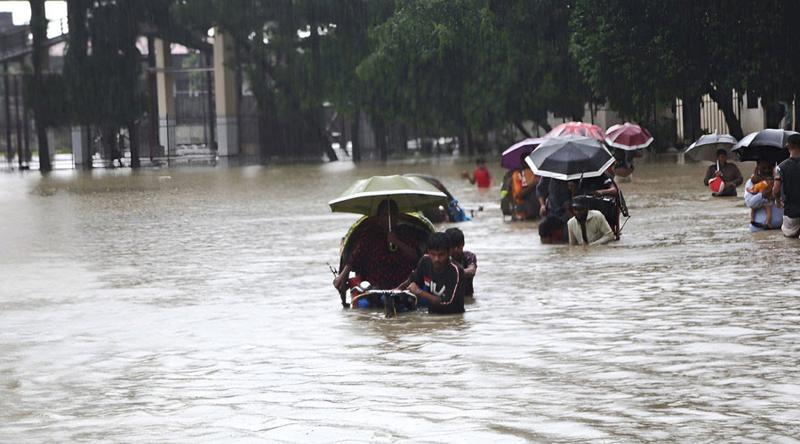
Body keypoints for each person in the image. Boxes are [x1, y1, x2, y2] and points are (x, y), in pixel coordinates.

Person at [332, 199, 424, 293]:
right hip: (375, 285)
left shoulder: (405, 232)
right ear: (378, 217)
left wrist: (397, 242)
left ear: (397, 216)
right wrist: (343, 275)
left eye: (393, 214)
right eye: (385, 215)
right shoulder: (370, 234)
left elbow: (416, 257)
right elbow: (355, 257)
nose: (389, 218)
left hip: (403, 284)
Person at [406, 232, 465, 314]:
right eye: (433, 254)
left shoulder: (456, 271)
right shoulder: (425, 261)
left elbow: (448, 303)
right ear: (428, 252)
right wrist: (397, 290)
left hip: (453, 317)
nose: (436, 259)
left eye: (441, 255)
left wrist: (420, 292)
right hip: (432, 314)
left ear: (449, 253)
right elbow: (412, 280)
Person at [772, 133, 800, 238]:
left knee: (790, 240)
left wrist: (778, 201)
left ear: (788, 146)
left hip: (791, 212)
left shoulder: (780, 167)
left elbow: (776, 189)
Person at [445, 228, 476, 297]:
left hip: (466, 296)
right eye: (453, 247)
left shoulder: (469, 256)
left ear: (463, 244)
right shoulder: (441, 258)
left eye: (458, 246)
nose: (456, 249)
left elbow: (471, 271)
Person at [745, 164, 776, 228]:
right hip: (758, 227)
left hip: (780, 227)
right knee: (765, 209)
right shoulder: (752, 181)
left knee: (768, 210)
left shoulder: (776, 180)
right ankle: (753, 221)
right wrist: (763, 194)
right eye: (764, 168)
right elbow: (750, 203)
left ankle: (767, 222)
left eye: (769, 168)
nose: (767, 170)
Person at [511, 153, 539, 220]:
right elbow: (518, 195)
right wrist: (533, 184)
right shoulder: (517, 175)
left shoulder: (538, 173)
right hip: (523, 211)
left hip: (537, 209)